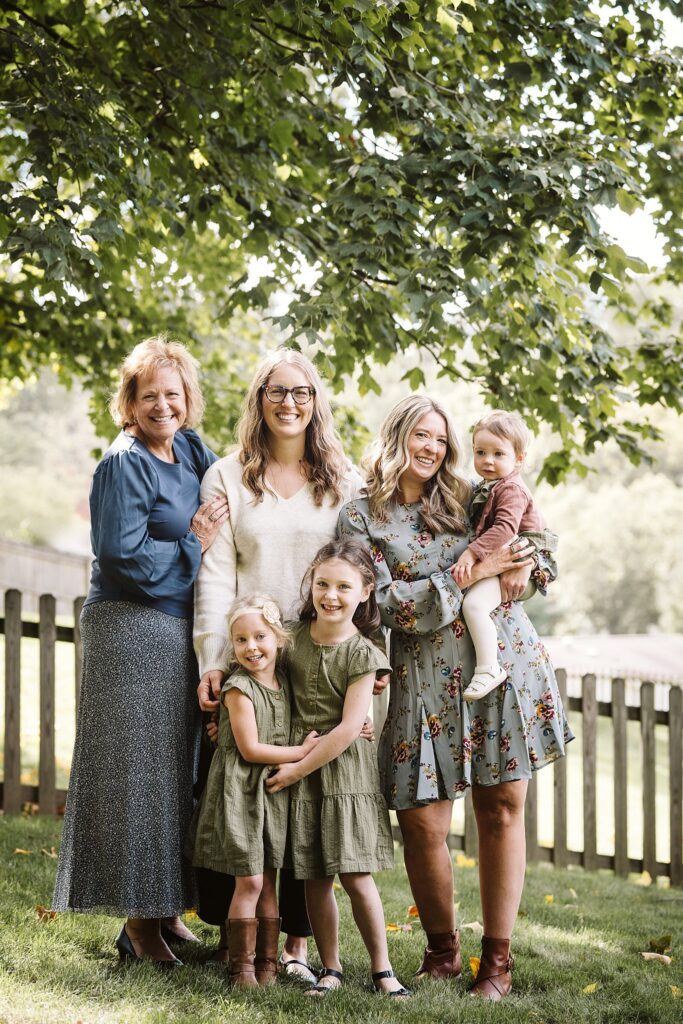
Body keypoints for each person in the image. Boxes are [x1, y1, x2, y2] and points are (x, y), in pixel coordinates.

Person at [337, 395, 573, 1001]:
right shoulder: (361, 518)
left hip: (501, 665)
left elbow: (540, 542)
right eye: (422, 435)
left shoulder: (472, 494)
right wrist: (465, 574)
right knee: (421, 821)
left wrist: (527, 563)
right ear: (397, 437)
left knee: (501, 809)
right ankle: (442, 952)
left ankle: (497, 962)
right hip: (421, 678)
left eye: (442, 440)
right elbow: (382, 604)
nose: (434, 449)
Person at [52, 335, 229, 965]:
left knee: (174, 775)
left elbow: (227, 484)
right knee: (137, 777)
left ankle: (165, 913)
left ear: (188, 400)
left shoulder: (188, 449)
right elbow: (124, 558)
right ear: (129, 402)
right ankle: (140, 929)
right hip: (131, 628)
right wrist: (195, 546)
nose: (162, 405)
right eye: (148, 394)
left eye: (172, 394)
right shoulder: (123, 462)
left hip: (177, 628)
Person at [193, 349, 365, 977]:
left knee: (307, 796)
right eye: (276, 391)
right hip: (253, 661)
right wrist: (214, 659)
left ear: (316, 402)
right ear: (258, 399)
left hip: (317, 661)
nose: (289, 403)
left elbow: (359, 578)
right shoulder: (227, 476)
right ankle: (237, 938)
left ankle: (293, 946)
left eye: (301, 392)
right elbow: (214, 575)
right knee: (242, 791)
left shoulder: (346, 482)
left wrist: (365, 684)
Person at [266, 539, 409, 998]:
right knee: (313, 875)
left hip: (344, 774)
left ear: (366, 591)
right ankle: (331, 967)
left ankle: (383, 970)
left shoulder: (364, 654)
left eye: (343, 587)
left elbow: (349, 729)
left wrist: (294, 770)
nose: (330, 595)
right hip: (301, 767)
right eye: (322, 584)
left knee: (355, 875)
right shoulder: (291, 639)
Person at [191, 596, 320, 987]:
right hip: (240, 793)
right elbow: (250, 749)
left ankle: (267, 965)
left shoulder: (284, 685)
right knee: (248, 881)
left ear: (279, 638)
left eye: (260, 636)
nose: (252, 647)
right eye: (241, 639)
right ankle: (241, 968)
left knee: (267, 879)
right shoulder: (237, 688)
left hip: (269, 795)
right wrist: (300, 753)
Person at [452, 410, 551, 702]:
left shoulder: (511, 489)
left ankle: (488, 668)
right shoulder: (489, 486)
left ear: (519, 459)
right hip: (508, 561)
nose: (488, 460)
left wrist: (472, 553)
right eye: (481, 452)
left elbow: (506, 529)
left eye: (498, 453)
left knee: (474, 605)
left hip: (521, 566)